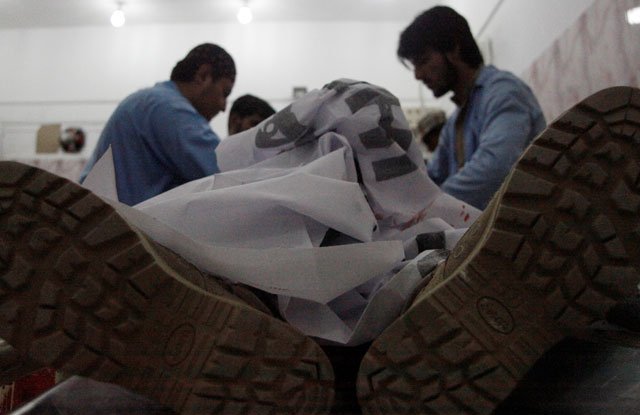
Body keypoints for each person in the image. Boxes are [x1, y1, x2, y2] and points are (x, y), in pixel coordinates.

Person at [0, 84, 639, 415]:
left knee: (222, 256)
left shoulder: (235, 143)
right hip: (373, 254)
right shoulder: (170, 111)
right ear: (208, 79)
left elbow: (217, 171)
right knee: (419, 257)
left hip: (257, 255)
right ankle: (450, 284)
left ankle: (209, 300)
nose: (225, 112)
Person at [398, 6, 546, 210]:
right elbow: (431, 177)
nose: (418, 75)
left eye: (423, 61)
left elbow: (495, 167)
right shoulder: (455, 122)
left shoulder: (504, 92)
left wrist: (431, 209)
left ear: (454, 48)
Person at [78, 43, 236, 206]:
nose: (223, 107)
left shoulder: (145, 101)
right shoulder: (169, 108)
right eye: (225, 93)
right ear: (203, 75)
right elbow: (229, 177)